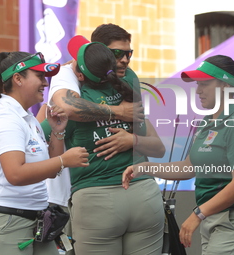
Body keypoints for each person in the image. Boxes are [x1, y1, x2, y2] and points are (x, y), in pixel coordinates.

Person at [39, 24, 165, 255]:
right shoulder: (128, 86)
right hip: (144, 196)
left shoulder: (79, 101)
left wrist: (132, 140)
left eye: (129, 54)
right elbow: (159, 147)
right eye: (118, 54)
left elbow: (39, 133)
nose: (125, 60)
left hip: (97, 199)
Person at [123, 55, 234, 255]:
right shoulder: (207, 120)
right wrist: (146, 168)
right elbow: (189, 167)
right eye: (198, 84)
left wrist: (197, 215)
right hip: (214, 219)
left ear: (225, 85)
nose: (198, 91)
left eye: (204, 84)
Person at [0, 51, 89, 255]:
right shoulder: (5, 118)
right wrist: (64, 160)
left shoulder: (27, 118)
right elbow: (16, 174)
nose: (45, 83)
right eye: (40, 77)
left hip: (36, 221)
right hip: (7, 224)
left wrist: (58, 132)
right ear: (18, 78)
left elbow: (50, 170)